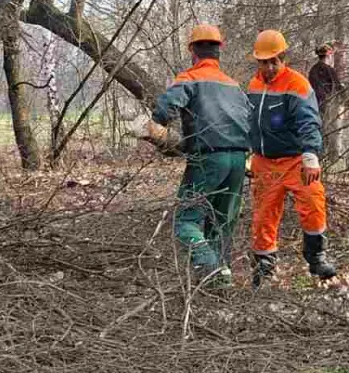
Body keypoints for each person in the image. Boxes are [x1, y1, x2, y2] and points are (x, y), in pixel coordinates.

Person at [129, 24, 252, 283]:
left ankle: (209, 265)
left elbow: (165, 110)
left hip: (209, 158)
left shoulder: (190, 78)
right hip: (239, 159)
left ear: (192, 51)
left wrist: (155, 126)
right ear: (219, 51)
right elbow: (248, 118)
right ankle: (222, 280)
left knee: (186, 220)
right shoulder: (233, 85)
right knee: (221, 223)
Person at [246, 29, 337, 286]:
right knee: (263, 214)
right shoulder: (253, 85)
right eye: (264, 62)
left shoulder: (297, 84)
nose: (270, 67)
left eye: (274, 61)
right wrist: (247, 153)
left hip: (296, 159)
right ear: (258, 62)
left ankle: (316, 256)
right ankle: (264, 264)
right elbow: (248, 123)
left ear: (282, 58)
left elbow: (308, 121)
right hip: (264, 161)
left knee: (313, 203)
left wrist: (310, 155)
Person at [308, 43, 344, 157]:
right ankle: (328, 156)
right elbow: (338, 87)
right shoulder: (329, 70)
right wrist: (346, 100)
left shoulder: (312, 70)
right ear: (329, 56)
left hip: (313, 104)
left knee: (317, 128)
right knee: (328, 129)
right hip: (327, 104)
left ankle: (319, 154)